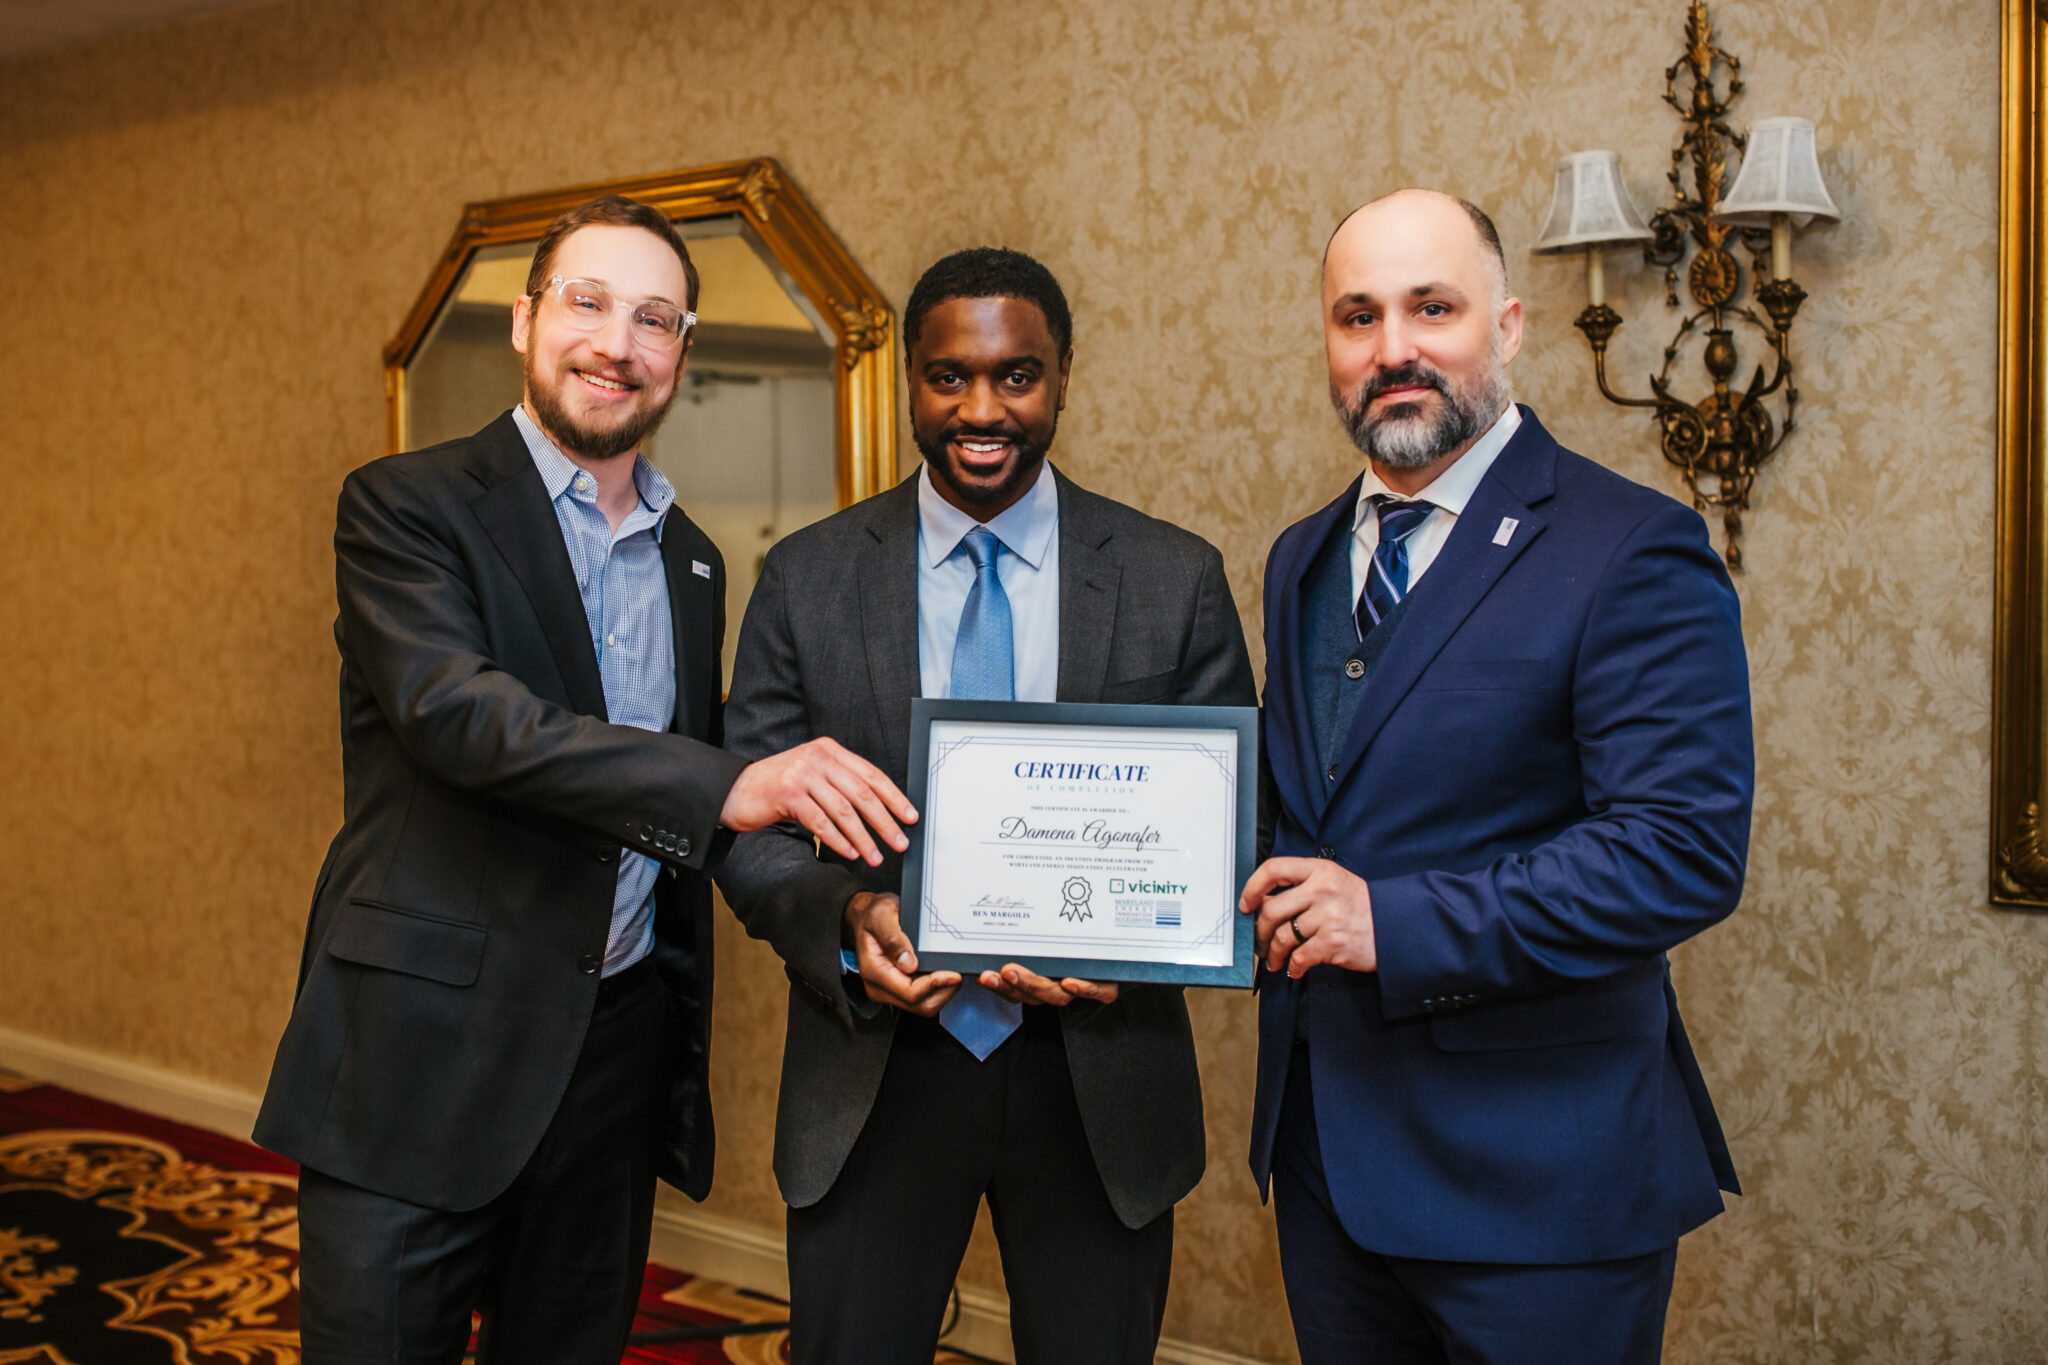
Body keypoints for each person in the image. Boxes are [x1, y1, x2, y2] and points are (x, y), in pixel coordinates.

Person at [255, 194, 916, 1365]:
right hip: (419, 1060)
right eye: (588, 303)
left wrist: (847, 912)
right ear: (523, 323)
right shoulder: (404, 508)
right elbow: (461, 721)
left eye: (654, 318)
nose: (618, 344)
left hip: (611, 1066)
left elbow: (696, 830)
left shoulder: (695, 560)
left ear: (682, 355)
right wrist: (730, 783)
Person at [715, 247, 1256, 1365]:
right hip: (876, 1063)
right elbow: (749, 828)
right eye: (946, 376)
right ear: (908, 382)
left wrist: (1137, 956)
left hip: (1096, 1076)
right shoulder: (806, 579)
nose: (980, 409)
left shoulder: (1173, 578)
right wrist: (849, 926)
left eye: (1016, 376)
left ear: (1062, 380)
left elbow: (1234, 833)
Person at [1240, 188, 1753, 1364]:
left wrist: (1392, 920)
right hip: (1329, 1164)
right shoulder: (1302, 557)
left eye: (1433, 307)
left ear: (1509, 326)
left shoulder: (1628, 547)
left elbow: (1678, 852)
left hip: (1538, 1188)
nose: (1393, 350)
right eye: (1356, 317)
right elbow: (1306, 808)